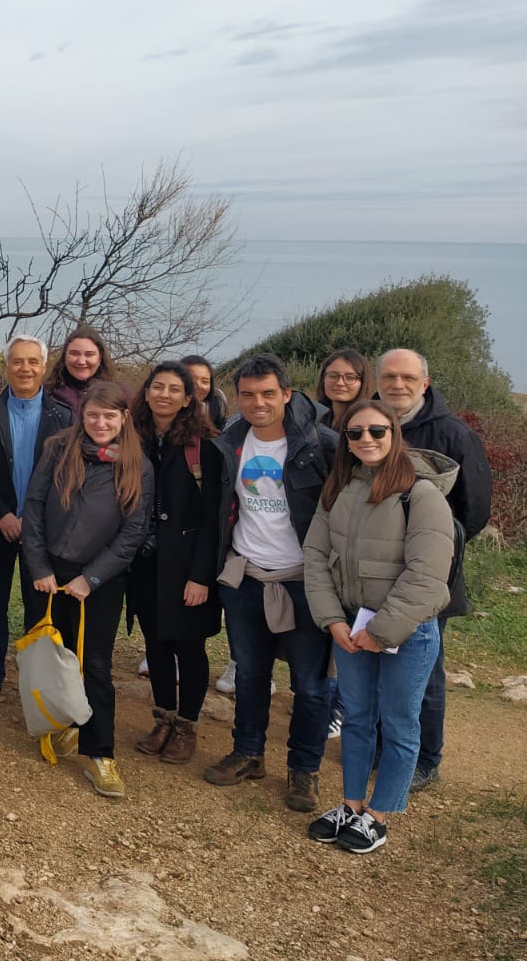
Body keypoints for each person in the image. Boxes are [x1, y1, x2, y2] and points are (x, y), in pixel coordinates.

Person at [302, 398, 456, 853]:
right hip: (350, 628)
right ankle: (350, 805)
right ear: (345, 440)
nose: (366, 440)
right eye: (355, 433)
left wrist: (382, 631)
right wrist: (332, 619)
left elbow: (426, 575)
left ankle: (379, 815)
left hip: (406, 633)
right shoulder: (338, 490)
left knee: (399, 723)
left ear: (394, 435)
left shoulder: (421, 495)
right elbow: (314, 558)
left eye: (376, 432)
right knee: (356, 719)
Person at [203, 354, 338, 814]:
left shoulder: (323, 445)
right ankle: (248, 752)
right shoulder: (229, 445)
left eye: (267, 393)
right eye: (247, 394)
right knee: (251, 673)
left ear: (286, 393)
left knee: (311, 685)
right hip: (246, 578)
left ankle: (304, 769)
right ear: (237, 397)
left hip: (306, 584)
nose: (257, 403)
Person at [21, 381, 153, 796]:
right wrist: (40, 566)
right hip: (50, 574)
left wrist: (91, 578)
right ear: (83, 414)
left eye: (109, 416)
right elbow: (35, 508)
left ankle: (101, 754)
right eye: (93, 415)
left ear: (124, 418)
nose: (99, 423)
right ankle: (62, 722)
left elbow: (133, 533)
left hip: (100, 579)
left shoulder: (137, 464)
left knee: (94, 662)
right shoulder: (59, 449)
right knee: (51, 651)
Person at [375, 347, 493, 793]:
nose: (397, 385)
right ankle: (387, 747)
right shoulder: (370, 427)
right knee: (379, 663)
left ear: (424, 383)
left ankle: (426, 758)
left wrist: (435, 552)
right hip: (373, 571)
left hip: (427, 578)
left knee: (422, 670)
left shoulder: (453, 435)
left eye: (407, 377)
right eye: (388, 377)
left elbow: (474, 509)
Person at [0, 334, 74, 706]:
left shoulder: (64, 417)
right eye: (17, 361)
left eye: (32, 362)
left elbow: (68, 480)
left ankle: (37, 680)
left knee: (38, 605)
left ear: (44, 367)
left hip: (41, 530)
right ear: (6, 366)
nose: (25, 368)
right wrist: (2, 514)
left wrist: (34, 520)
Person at [127, 362, 224, 765]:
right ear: (146, 392)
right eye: (157, 386)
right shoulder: (135, 438)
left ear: (189, 399)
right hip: (145, 564)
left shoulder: (205, 446)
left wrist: (201, 576)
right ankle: (163, 718)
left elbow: (214, 519)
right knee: (156, 645)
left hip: (187, 567)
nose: (163, 394)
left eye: (174, 389)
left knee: (189, 647)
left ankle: (186, 725)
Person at [44, 326, 115, 414]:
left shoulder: (117, 396)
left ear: (99, 359)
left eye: (89, 354)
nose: (81, 361)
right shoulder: (46, 395)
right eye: (74, 354)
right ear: (65, 357)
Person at [317, 348, 372, 429]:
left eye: (350, 377)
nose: (340, 383)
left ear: (363, 382)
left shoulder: (368, 422)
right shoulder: (314, 417)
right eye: (333, 376)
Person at [180, 355, 229, 430]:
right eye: (192, 379)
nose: (199, 386)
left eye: (205, 382)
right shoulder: (162, 411)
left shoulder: (215, 407)